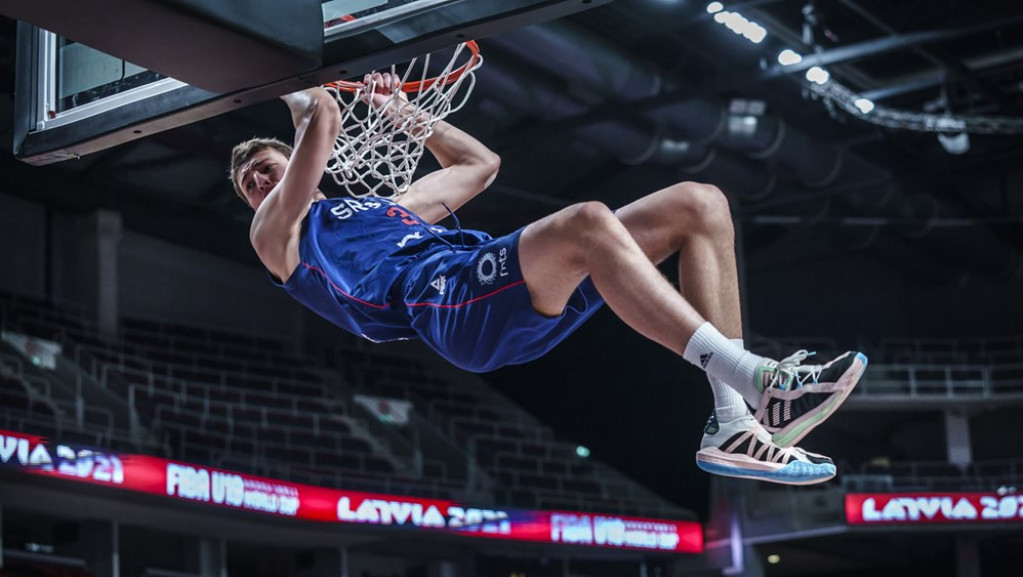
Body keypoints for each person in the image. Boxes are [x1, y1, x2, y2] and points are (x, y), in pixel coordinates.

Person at [229, 74, 867, 485]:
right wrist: (283, 77)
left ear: (289, 164)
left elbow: (479, 164)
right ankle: (757, 377)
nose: (258, 181)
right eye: (247, 181)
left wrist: (400, 109)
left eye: (263, 167)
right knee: (588, 221)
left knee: (698, 203)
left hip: (489, 285)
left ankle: (734, 422)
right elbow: (320, 119)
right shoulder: (277, 235)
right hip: (447, 306)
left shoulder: (387, 209)